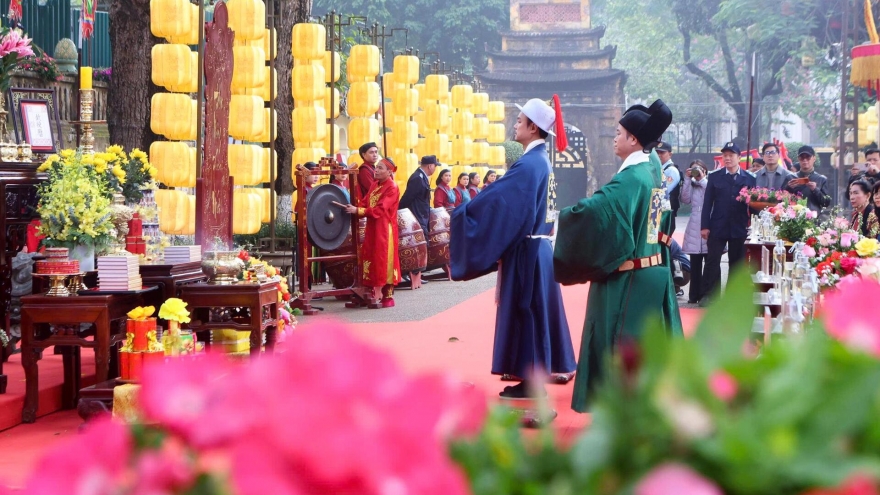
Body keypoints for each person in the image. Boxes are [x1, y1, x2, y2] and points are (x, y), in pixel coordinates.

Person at [554, 99, 682, 412]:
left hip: (628, 277)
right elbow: (657, 223)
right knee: (644, 350)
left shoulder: (631, 178)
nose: (614, 138)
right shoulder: (652, 170)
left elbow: (597, 212)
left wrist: (564, 217)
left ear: (633, 139)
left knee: (619, 347)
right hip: (652, 269)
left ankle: (620, 417)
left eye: (618, 132)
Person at [450, 96, 576, 400]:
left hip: (528, 251)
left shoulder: (530, 164)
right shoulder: (538, 160)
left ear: (533, 128)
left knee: (526, 311)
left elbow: (502, 201)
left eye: (520, 121)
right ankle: (529, 378)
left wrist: (465, 212)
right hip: (536, 248)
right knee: (531, 311)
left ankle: (531, 382)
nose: (515, 125)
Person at [700, 141, 757, 304]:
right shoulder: (714, 176)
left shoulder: (749, 178)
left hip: (739, 225)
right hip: (717, 225)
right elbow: (707, 203)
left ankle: (733, 297)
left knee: (737, 262)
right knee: (712, 260)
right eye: (725, 155)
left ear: (739, 158)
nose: (727, 158)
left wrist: (755, 224)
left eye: (731, 155)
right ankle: (709, 295)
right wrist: (705, 226)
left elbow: (753, 204)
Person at [340, 158, 401, 308]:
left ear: (389, 172)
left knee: (384, 259)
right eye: (376, 167)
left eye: (380, 168)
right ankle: (368, 292)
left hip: (384, 230)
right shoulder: (375, 184)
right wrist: (354, 207)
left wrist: (358, 211)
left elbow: (380, 209)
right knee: (370, 256)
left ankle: (388, 296)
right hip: (372, 227)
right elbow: (365, 201)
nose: (376, 170)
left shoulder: (392, 187)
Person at [398, 155, 438, 288]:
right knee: (416, 245)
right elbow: (407, 198)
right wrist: (401, 213)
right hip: (416, 216)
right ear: (430, 166)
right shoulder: (417, 178)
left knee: (422, 243)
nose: (435, 169)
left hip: (422, 215)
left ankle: (418, 273)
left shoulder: (422, 177)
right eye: (435, 166)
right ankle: (412, 272)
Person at [680, 160, 709, 304]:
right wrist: (687, 179)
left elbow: (710, 194)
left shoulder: (708, 183)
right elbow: (685, 199)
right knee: (695, 263)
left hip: (708, 222)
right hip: (694, 224)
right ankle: (694, 295)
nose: (696, 172)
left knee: (710, 262)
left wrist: (701, 178)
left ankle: (708, 294)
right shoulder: (691, 184)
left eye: (699, 169)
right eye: (694, 169)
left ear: (705, 171)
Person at [784, 146, 831, 214]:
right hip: (793, 217)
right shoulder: (790, 178)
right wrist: (788, 188)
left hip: (814, 218)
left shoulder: (822, 179)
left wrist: (815, 190)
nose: (805, 160)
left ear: (814, 158)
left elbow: (826, 203)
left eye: (808, 157)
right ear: (798, 159)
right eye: (802, 158)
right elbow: (780, 200)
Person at [656, 141, 681, 234]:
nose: (659, 155)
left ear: (670, 154)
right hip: (658, 212)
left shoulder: (671, 171)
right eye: (657, 152)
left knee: (663, 240)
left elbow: (662, 191)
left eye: (662, 152)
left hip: (666, 215)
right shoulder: (659, 169)